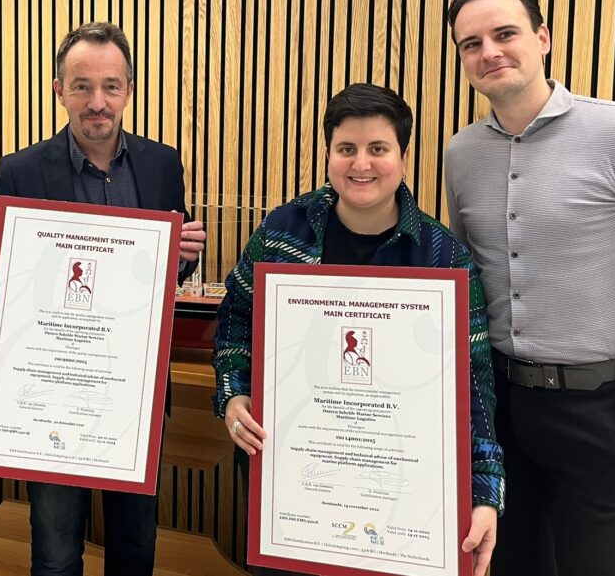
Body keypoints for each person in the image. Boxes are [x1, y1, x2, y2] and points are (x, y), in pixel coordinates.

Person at [444, 0, 615, 576]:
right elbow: (467, 287)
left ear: (542, 39)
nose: (489, 52)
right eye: (471, 43)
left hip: (604, 410)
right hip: (502, 411)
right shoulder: (462, 154)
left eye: (505, 33)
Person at [212, 83, 505, 576]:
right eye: (346, 149)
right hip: (294, 485)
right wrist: (232, 394)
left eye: (378, 149)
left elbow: (474, 386)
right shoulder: (284, 231)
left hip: (400, 500)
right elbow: (237, 318)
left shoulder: (443, 258)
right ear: (328, 153)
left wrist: (483, 492)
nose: (361, 164)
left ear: (404, 157)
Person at [0, 22, 206, 576]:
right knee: (57, 547)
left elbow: (167, 281)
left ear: (129, 91)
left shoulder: (162, 165)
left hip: (132, 395)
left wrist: (184, 257)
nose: (98, 102)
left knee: (136, 543)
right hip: (52, 394)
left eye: (111, 86)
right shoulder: (21, 171)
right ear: (59, 90)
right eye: (82, 86)